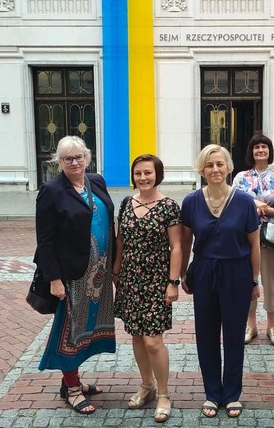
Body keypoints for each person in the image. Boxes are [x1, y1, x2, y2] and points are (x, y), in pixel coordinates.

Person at [34, 135, 116, 415]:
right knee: (70, 330)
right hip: (72, 275)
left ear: (87, 157)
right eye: (67, 158)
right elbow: (45, 240)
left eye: (79, 157)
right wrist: (54, 278)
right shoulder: (51, 191)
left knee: (87, 328)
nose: (74, 162)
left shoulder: (96, 181)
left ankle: (73, 380)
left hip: (99, 271)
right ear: (59, 162)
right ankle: (71, 389)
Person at [180, 144, 261, 419]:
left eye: (219, 164)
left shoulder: (245, 201)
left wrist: (254, 280)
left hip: (237, 272)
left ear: (228, 167)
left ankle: (232, 394)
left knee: (234, 335)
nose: (215, 169)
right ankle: (213, 393)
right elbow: (185, 241)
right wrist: (183, 273)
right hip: (204, 271)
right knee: (206, 334)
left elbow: (254, 244)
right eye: (209, 165)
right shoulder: (191, 201)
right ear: (201, 169)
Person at [113, 154, 182, 423]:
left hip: (156, 279)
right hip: (130, 278)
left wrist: (173, 282)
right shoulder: (126, 203)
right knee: (137, 337)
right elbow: (121, 240)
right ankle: (146, 385)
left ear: (157, 175)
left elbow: (176, 247)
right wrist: (116, 270)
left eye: (148, 173)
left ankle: (163, 393)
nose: (143, 177)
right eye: (138, 173)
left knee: (153, 340)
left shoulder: (168, 206)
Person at [231, 134, 274, 346]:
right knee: (248, 281)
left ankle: (272, 326)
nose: (260, 150)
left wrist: (264, 208)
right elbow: (234, 202)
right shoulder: (240, 178)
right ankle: (251, 325)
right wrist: (255, 206)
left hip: (271, 238)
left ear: (269, 151)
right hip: (245, 237)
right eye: (256, 147)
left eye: (264, 147)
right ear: (251, 152)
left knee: (271, 282)